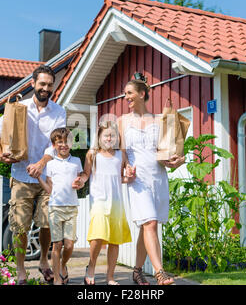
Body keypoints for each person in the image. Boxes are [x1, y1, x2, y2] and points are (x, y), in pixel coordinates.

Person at [0, 65, 66, 285]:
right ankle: (21, 269)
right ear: (33, 84)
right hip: (21, 176)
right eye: (42, 84)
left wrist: (42, 163)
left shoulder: (59, 111)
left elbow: (58, 143)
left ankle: (43, 260)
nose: (45, 88)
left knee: (47, 223)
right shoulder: (18, 108)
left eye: (49, 84)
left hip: (47, 178)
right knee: (20, 227)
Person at [117, 73, 185, 285]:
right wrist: (126, 168)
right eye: (125, 93)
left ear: (142, 94)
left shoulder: (159, 120)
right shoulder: (122, 121)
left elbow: (165, 153)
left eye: (129, 93)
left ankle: (137, 271)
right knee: (150, 222)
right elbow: (122, 153)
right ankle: (159, 272)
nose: (125, 97)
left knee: (147, 226)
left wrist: (177, 161)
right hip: (137, 180)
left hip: (158, 178)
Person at [75, 121, 134, 285]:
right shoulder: (92, 154)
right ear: (99, 137)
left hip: (116, 201)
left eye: (112, 135)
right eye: (106, 135)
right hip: (99, 200)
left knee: (114, 240)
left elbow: (119, 176)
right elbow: (86, 174)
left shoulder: (120, 155)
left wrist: (128, 177)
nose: (109, 138)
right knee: (98, 235)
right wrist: (80, 181)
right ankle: (91, 267)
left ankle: (110, 277)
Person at [37, 127, 83, 285]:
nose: (63, 145)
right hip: (55, 207)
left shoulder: (76, 162)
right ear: (54, 145)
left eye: (66, 142)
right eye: (59, 142)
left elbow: (79, 182)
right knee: (57, 244)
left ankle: (63, 265)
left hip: (71, 208)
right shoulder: (50, 164)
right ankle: (57, 277)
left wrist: (79, 183)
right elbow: (49, 188)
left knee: (69, 244)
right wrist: (39, 179)